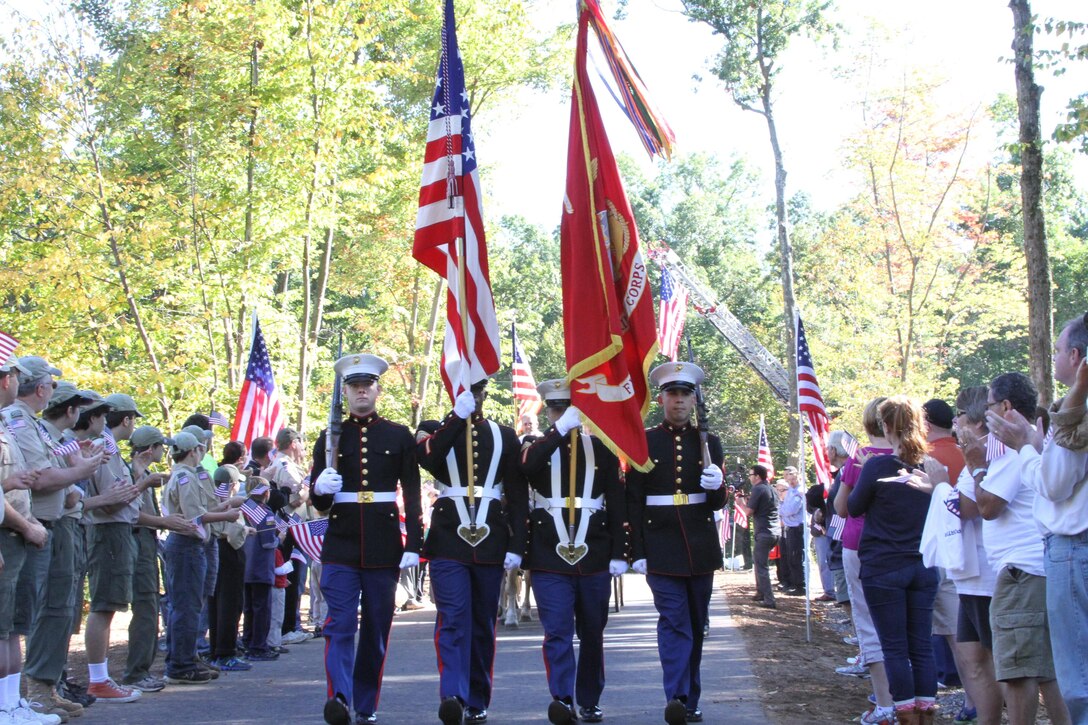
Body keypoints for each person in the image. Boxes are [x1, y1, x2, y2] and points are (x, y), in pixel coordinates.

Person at [309, 354, 423, 725]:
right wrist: (319, 488)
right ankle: (339, 698)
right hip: (341, 544)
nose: (361, 391)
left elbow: (413, 491)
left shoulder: (398, 435)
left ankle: (366, 703)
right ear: (345, 392)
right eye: (354, 386)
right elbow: (321, 502)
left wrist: (414, 544)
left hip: (383, 543)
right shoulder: (329, 436)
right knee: (339, 624)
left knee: (376, 629)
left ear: (377, 389)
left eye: (367, 385)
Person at [986, 314, 1088, 722]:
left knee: (1077, 678)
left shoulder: (1076, 411)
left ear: (1077, 357)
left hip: (1072, 551)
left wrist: (1025, 447)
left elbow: (1056, 482)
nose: (1056, 356)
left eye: (1060, 349)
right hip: (1066, 553)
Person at [416, 378, 527, 725]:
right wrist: (455, 418)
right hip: (449, 539)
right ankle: (452, 694)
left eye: (479, 391)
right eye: (467, 391)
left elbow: (518, 495)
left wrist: (518, 544)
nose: (474, 397)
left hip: (491, 539)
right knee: (452, 618)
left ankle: (477, 698)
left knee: (482, 624)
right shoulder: (434, 430)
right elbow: (430, 462)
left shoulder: (504, 435)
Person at [519, 379, 626, 725]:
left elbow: (617, 501)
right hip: (549, 553)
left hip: (593, 551)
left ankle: (590, 699)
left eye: (568, 408)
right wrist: (559, 432)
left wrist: (619, 551)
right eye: (556, 408)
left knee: (593, 631)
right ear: (549, 412)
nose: (561, 414)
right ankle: (562, 698)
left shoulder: (602, 449)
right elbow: (526, 467)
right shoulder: (537, 445)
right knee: (557, 630)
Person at [2, 357, 103, 721]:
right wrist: (81, 471)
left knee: (44, 611)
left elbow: (48, 471)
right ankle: (25, 698)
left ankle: (39, 691)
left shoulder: (35, 426)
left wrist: (76, 472)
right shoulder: (18, 421)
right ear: (41, 388)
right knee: (18, 619)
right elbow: (40, 478)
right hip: (30, 525)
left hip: (48, 522)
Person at [627, 362, 727, 725]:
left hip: (699, 545)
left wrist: (719, 486)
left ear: (693, 399)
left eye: (686, 395)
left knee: (696, 624)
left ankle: (691, 696)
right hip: (660, 543)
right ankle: (677, 696)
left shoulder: (708, 442)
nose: (680, 401)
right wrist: (635, 550)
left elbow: (717, 504)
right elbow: (633, 499)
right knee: (675, 622)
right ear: (662, 398)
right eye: (673, 394)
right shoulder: (646, 440)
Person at [973, 373, 1070, 725]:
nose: (985, 416)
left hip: (1022, 574)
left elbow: (987, 507)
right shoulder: (1027, 448)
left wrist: (976, 468)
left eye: (988, 407)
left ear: (1006, 407)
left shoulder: (1016, 453)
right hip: (1036, 570)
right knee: (1048, 673)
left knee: (1018, 672)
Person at [848, 396, 943, 724]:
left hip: (883, 567)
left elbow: (854, 507)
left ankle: (905, 715)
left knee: (894, 649)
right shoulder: (932, 467)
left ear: (887, 427)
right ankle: (925, 715)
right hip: (923, 565)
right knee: (922, 646)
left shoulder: (876, 466)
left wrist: (859, 472)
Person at [161, 431, 242, 685]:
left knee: (193, 604)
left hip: (194, 544)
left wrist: (223, 507)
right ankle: (180, 664)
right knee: (186, 606)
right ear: (193, 450)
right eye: (201, 448)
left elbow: (203, 509)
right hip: (186, 543)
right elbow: (195, 517)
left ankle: (187, 656)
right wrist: (226, 515)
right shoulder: (184, 476)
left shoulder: (189, 475)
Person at [0, 352, 55, 725]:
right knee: (1, 628)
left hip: (15, 533)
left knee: (13, 627)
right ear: (7, 380)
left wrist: (12, 483)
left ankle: (12, 703)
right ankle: (4, 709)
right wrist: (27, 526)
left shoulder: (6, 425)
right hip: (8, 533)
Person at [123, 425, 194, 692]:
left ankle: (141, 668)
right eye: (161, 446)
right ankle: (135, 672)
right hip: (138, 538)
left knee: (150, 604)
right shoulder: (133, 473)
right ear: (151, 448)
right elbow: (130, 512)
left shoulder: (147, 474)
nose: (164, 451)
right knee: (144, 605)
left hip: (147, 540)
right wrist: (164, 521)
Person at [241, 476, 279, 662]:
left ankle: (248, 641)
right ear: (265, 493)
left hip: (245, 566)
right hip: (261, 566)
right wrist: (280, 538)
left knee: (248, 607)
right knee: (262, 608)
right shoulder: (266, 513)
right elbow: (268, 541)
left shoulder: (243, 508)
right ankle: (259, 646)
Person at [742, 464, 779, 609]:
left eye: (751, 475)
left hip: (764, 532)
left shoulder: (758, 489)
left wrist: (740, 503)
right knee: (759, 563)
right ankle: (760, 592)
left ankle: (769, 599)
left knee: (762, 566)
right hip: (774, 532)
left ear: (757, 476)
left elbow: (748, 512)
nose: (749, 478)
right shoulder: (772, 489)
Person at [778, 466, 805, 595]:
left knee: (797, 557)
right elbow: (782, 507)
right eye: (789, 479)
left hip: (797, 528)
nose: (791, 481)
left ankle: (801, 586)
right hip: (789, 527)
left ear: (798, 477)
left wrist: (783, 511)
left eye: (793, 478)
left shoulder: (800, 491)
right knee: (790, 558)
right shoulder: (790, 492)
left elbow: (790, 510)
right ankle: (794, 583)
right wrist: (783, 510)